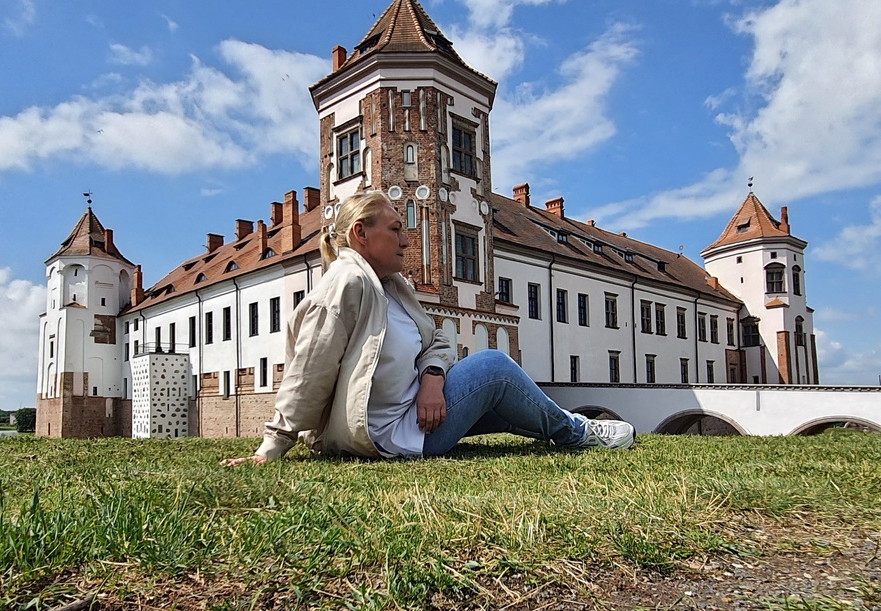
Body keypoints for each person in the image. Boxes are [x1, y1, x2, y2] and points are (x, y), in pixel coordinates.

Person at [225, 190, 634, 465]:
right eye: (396, 229)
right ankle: (576, 432)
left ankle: (566, 423)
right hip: (393, 434)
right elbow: (309, 369)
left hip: (418, 416)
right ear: (360, 234)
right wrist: (273, 445)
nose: (406, 240)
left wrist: (434, 378)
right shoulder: (346, 283)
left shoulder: (394, 286)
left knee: (507, 407)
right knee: (492, 365)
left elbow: (437, 338)